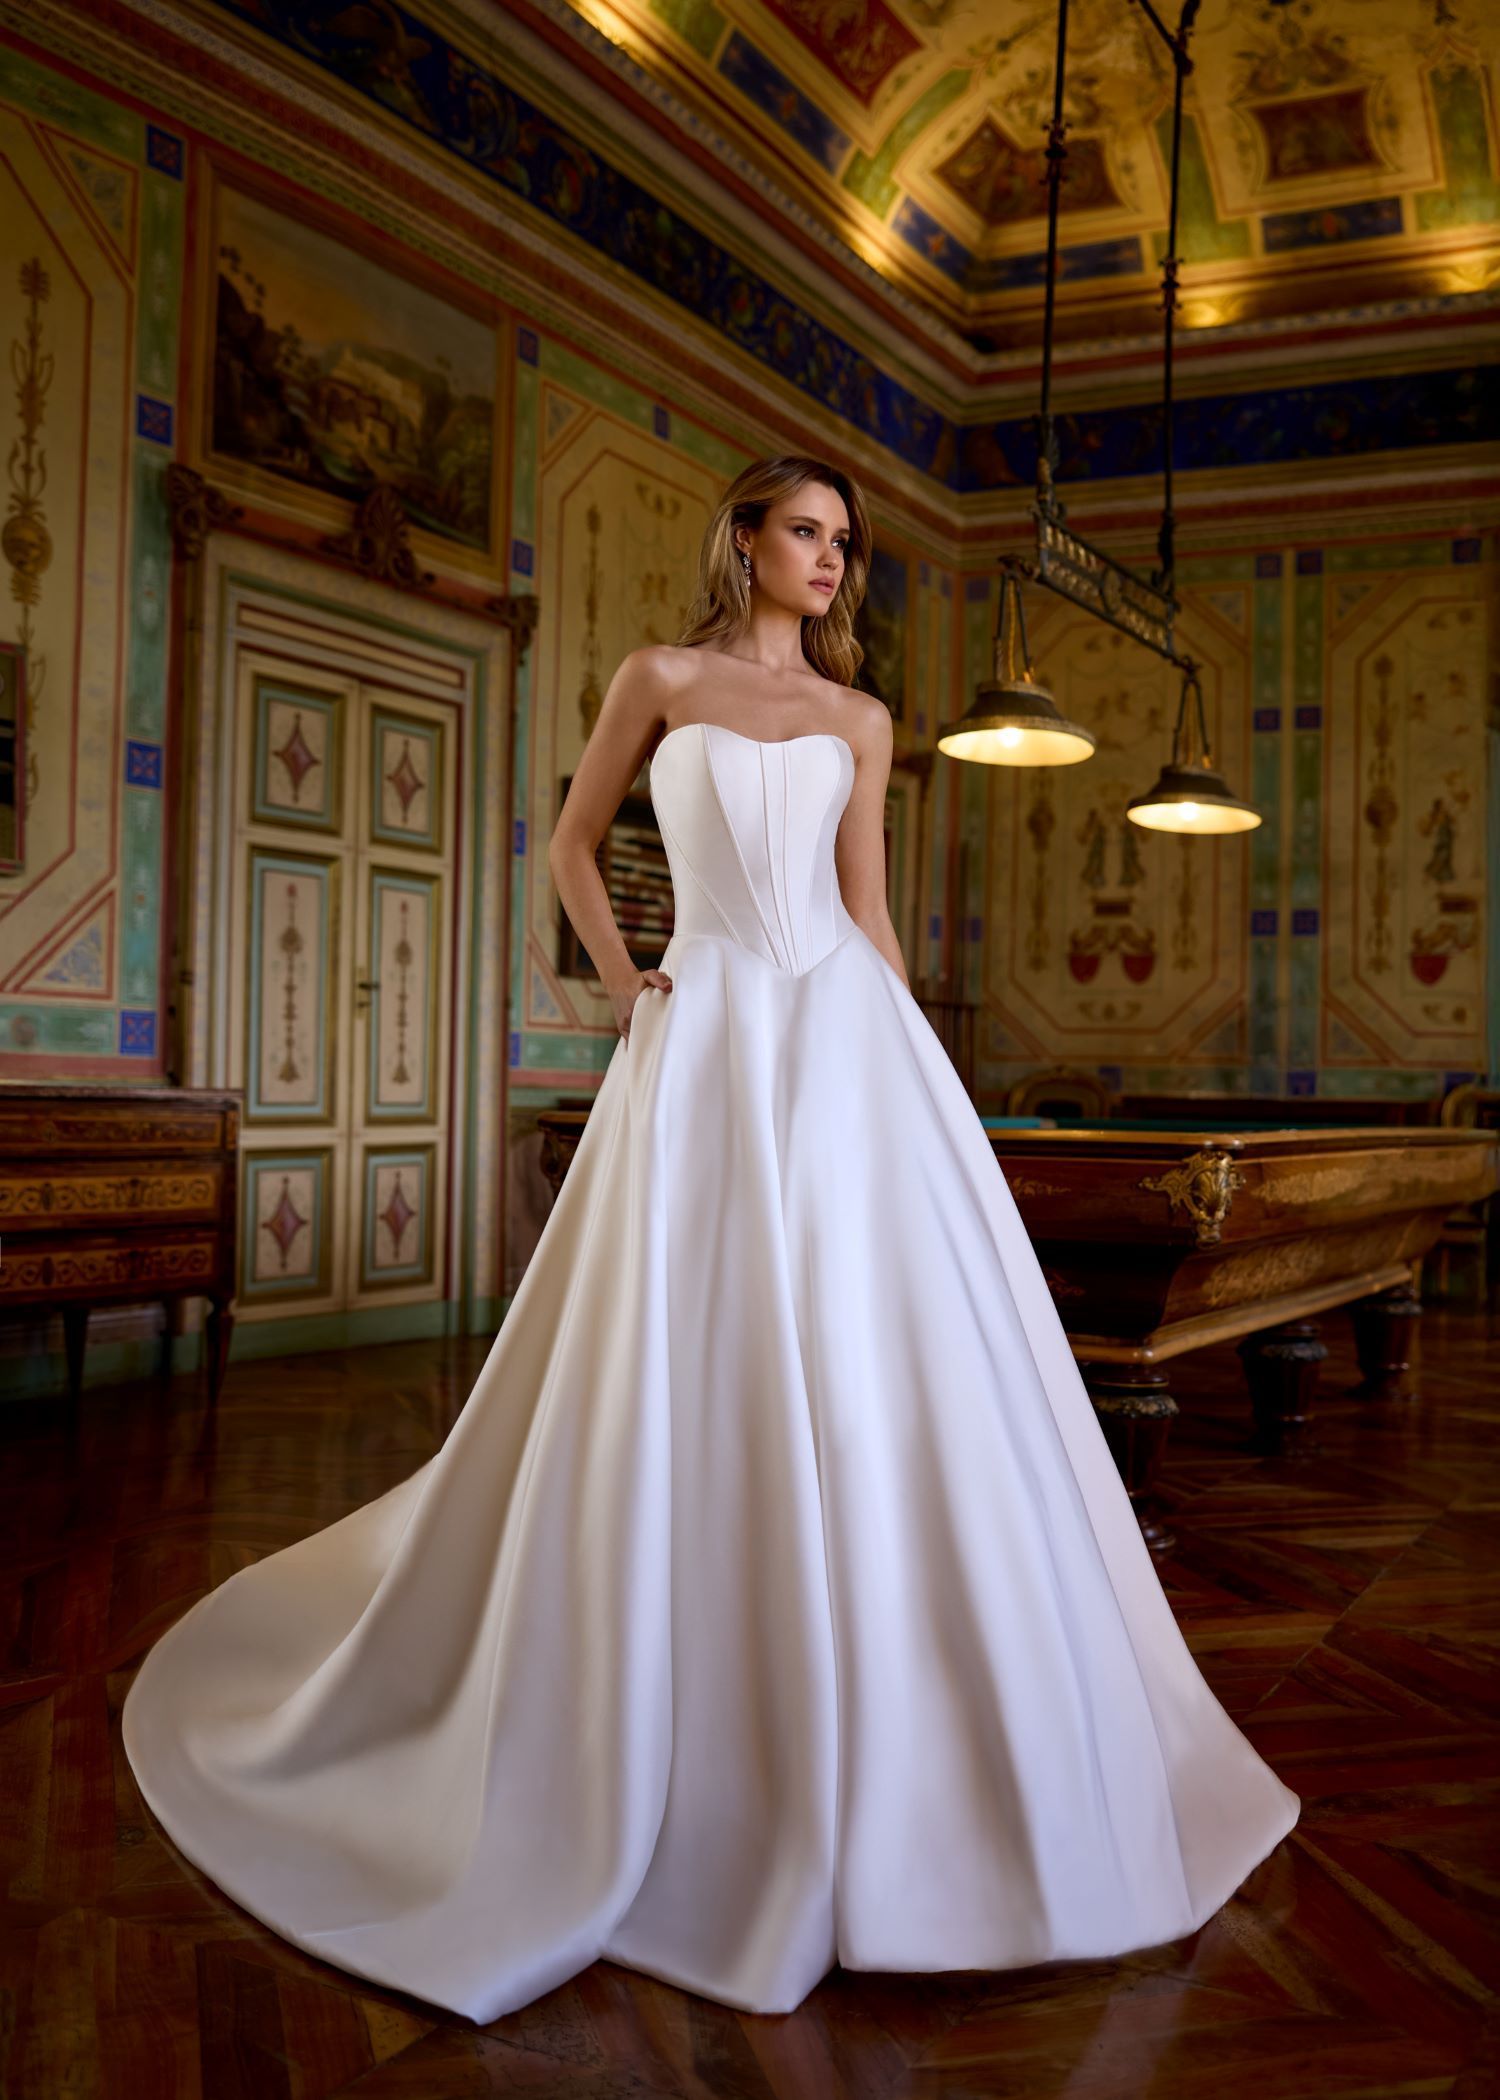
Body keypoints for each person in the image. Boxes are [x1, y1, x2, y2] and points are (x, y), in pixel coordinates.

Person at [122, 452, 1300, 2024]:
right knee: (682, 1351)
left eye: (846, 544)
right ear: (744, 537)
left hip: (842, 1046)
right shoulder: (659, 677)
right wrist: (625, 980)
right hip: (708, 1031)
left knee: (881, 1368)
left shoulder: (864, 721)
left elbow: (870, 916)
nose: (831, 562)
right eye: (805, 533)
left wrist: (926, 1088)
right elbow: (569, 843)